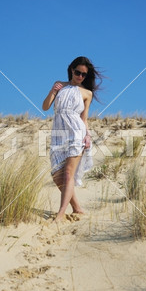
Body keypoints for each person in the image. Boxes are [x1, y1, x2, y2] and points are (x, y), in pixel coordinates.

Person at [42, 56, 102, 222]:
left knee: (68, 173)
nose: (80, 76)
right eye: (78, 72)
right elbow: (45, 107)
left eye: (84, 74)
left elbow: (84, 119)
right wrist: (53, 91)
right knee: (57, 176)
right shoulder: (60, 85)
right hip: (58, 134)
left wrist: (88, 135)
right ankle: (77, 208)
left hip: (76, 133)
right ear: (71, 70)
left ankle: (60, 214)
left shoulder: (87, 93)